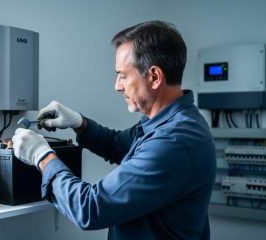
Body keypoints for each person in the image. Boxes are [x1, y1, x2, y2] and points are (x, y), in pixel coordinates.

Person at [12, 20, 216, 240]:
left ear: (155, 77)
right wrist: (80, 123)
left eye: (123, 75)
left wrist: (42, 156)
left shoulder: (173, 141)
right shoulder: (171, 122)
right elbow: (118, 145)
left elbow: (90, 208)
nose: (117, 86)